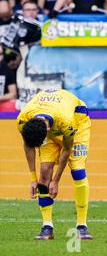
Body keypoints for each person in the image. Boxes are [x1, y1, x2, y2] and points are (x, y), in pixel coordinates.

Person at [17, 89, 92, 240]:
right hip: (51, 120)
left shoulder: (66, 121)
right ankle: (47, 227)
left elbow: (66, 148)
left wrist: (56, 180)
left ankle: (81, 226)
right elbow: (28, 145)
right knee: (44, 171)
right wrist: (33, 178)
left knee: (77, 171)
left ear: (48, 130)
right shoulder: (23, 120)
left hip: (78, 121)